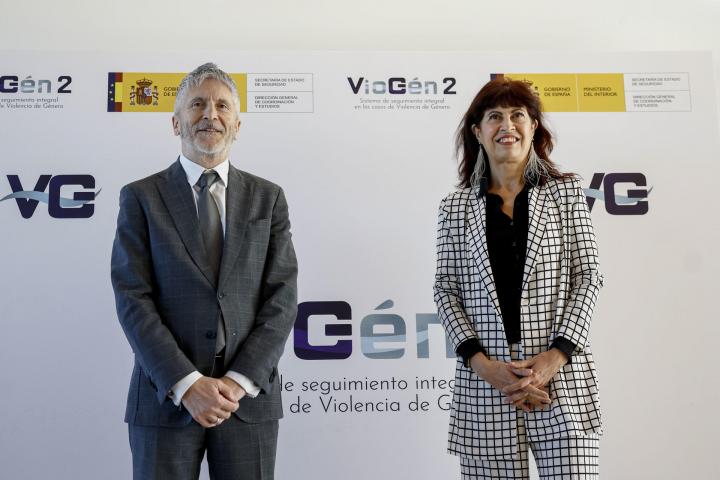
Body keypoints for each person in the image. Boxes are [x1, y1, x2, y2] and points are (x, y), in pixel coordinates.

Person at [111, 63, 298, 480]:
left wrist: (237, 381)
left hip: (246, 402)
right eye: (197, 104)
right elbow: (132, 298)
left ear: (237, 125)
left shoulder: (268, 198)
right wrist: (187, 383)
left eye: (222, 106)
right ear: (176, 122)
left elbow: (282, 299)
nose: (210, 114)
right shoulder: (141, 197)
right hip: (165, 399)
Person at [434, 77, 603, 479]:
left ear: (533, 127)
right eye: (494, 116)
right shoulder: (455, 207)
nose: (506, 125)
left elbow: (588, 276)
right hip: (486, 388)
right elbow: (446, 290)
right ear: (478, 132)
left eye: (517, 115)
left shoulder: (565, 194)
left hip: (561, 381)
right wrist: (484, 366)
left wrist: (554, 357)